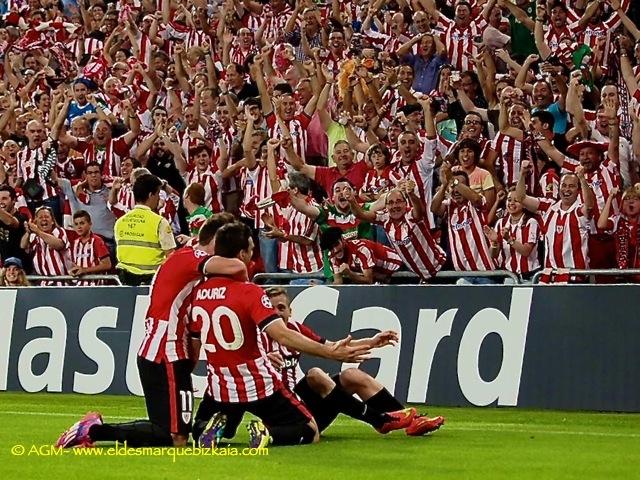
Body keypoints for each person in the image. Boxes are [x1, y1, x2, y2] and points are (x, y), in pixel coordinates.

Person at [55, 214, 249, 449]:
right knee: (175, 438)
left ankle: (93, 430)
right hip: (165, 351)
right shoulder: (192, 257)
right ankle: (94, 430)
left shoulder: (185, 259)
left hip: (164, 351)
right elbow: (235, 265)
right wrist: (244, 282)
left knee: (168, 432)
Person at [187, 222, 375, 448]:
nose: (252, 255)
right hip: (256, 382)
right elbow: (283, 336)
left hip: (220, 383)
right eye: (250, 249)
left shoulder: (198, 292)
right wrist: (329, 352)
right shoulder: (249, 291)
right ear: (241, 254)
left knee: (207, 425)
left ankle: (205, 431)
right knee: (310, 430)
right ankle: (267, 434)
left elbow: (194, 340)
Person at [193, 287, 442, 446]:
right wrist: (264, 358)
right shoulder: (256, 333)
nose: (278, 313)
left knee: (352, 374)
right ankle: (379, 420)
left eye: (282, 308)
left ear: (291, 311)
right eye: (272, 308)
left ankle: (409, 420)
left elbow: (331, 347)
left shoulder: (295, 330)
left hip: (300, 401)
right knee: (315, 374)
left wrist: (371, 341)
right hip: (278, 407)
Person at [515, 160, 595, 283]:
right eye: (564, 185)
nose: (566, 189)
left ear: (578, 190)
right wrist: (522, 174)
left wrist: (582, 179)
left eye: (572, 186)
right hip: (550, 277)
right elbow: (521, 198)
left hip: (575, 277)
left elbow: (589, 205)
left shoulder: (579, 211)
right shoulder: (549, 207)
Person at [114, 174, 176, 286]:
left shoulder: (120, 222)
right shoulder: (160, 222)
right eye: (157, 193)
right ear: (150, 195)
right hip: (151, 282)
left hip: (124, 283)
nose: (158, 198)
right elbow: (171, 257)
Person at [319, 227, 403, 285]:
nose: (335, 250)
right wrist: (320, 288)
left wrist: (349, 274)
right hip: (379, 274)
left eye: (336, 244)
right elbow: (338, 282)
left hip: (397, 267)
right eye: (330, 248)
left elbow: (368, 281)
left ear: (342, 239)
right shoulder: (332, 257)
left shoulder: (361, 250)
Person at [19, 206, 71, 286]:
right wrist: (28, 232)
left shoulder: (59, 231)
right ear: (36, 222)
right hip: (43, 283)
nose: (44, 219)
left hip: (62, 282)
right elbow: (23, 246)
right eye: (40, 217)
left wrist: (38, 231)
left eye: (47, 217)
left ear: (53, 221)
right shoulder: (34, 237)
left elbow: (59, 245)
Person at [68, 210, 112, 286]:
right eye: (76, 224)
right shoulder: (74, 243)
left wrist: (84, 270)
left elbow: (107, 265)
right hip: (78, 286)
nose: (79, 227)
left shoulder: (97, 241)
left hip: (95, 287)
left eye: (82, 223)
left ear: (90, 224)